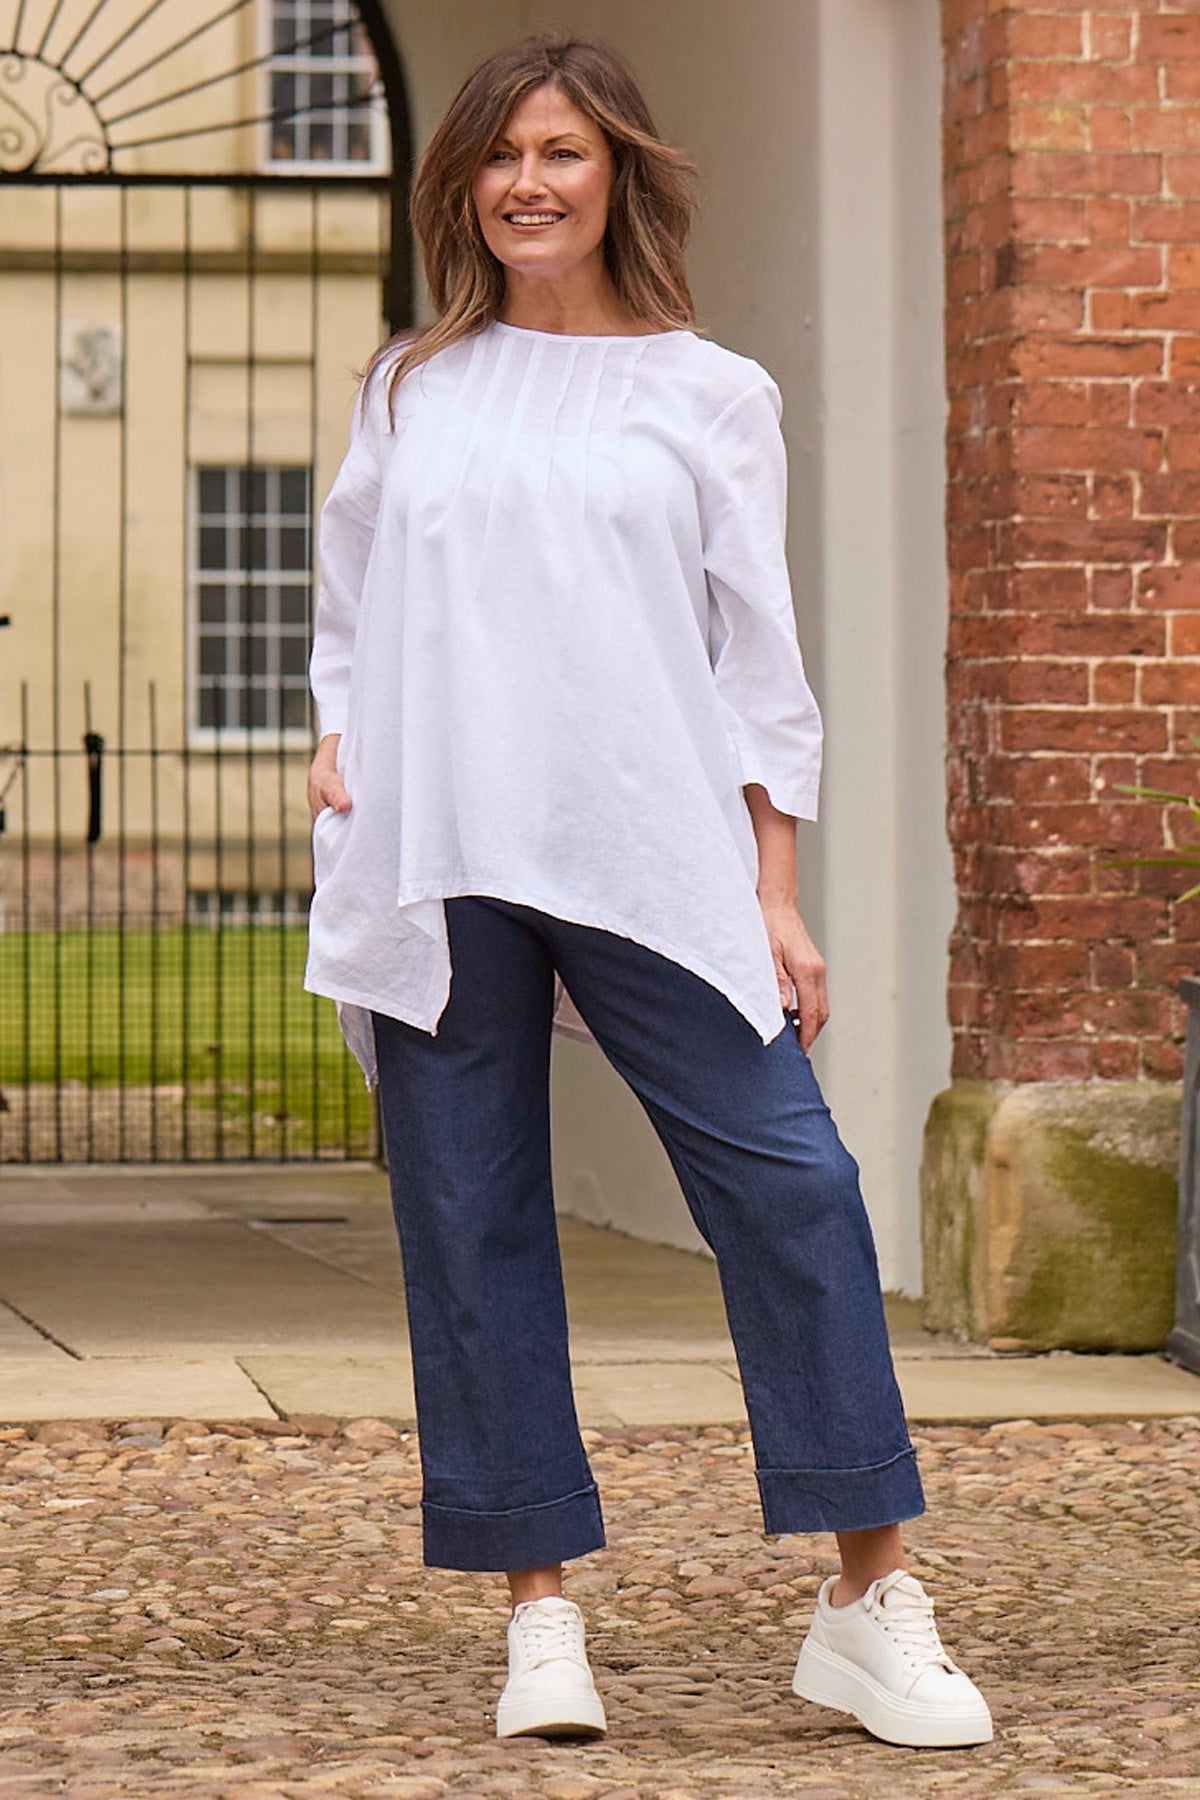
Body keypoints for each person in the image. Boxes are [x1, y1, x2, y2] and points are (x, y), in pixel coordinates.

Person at [304, 33, 992, 1752]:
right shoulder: (412, 388)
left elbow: (757, 654)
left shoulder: (710, 392)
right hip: (440, 850)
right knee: (468, 1217)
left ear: (620, 174)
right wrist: (337, 736)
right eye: (500, 155)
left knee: (795, 1183)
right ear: (464, 183)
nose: (528, 183)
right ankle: (538, 1612)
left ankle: (867, 1596)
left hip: (647, 843)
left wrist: (778, 888)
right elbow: (350, 606)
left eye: (562, 152)